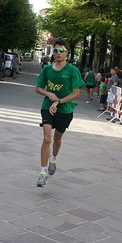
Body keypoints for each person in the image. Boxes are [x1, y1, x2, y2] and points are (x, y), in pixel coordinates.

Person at [34, 38, 84, 187]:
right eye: (55, 50)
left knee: (57, 139)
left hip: (65, 109)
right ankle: (43, 173)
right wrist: (48, 94)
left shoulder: (72, 71)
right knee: (47, 139)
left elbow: (76, 94)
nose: (58, 53)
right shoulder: (47, 70)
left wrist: (59, 101)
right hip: (47, 107)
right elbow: (38, 88)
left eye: (61, 50)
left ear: (66, 53)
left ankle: (53, 158)